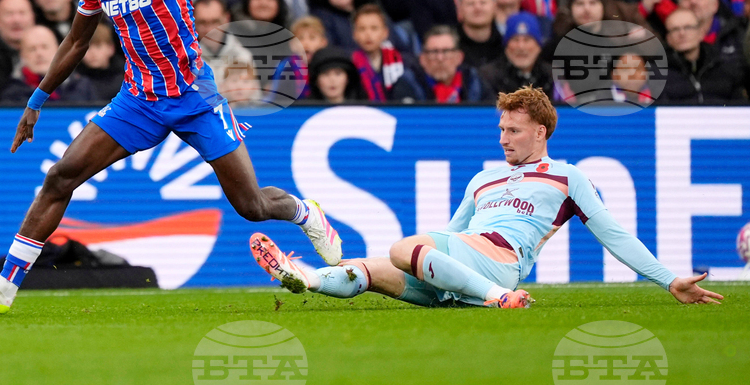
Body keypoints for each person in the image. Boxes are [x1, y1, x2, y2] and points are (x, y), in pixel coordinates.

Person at [0, 0, 345, 313]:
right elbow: (75, 42)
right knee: (60, 176)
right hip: (138, 101)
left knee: (251, 206)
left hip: (194, 98)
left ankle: (305, 213)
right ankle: (6, 285)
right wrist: (36, 101)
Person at [251, 86, 725, 308]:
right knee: (373, 268)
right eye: (500, 128)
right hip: (466, 261)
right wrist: (425, 263)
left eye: (513, 130)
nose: (503, 137)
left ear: (541, 132)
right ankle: (307, 279)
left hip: (502, 262)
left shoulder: (567, 177)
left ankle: (498, 297)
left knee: (403, 249)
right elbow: (454, 235)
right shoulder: (483, 180)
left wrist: (668, 281)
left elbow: (614, 235)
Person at [661, 8, 746, 103]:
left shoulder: (723, 66)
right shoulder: (658, 73)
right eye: (675, 29)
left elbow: (740, 108)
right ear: (668, 38)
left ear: (701, 33)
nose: (682, 33)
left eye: (688, 27)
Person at [2, 25, 95, 104]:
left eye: (44, 47)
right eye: (32, 49)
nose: (39, 53)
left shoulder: (82, 86)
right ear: (22, 55)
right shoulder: (12, 93)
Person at [479, 12, 555, 99]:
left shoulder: (552, 77)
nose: (521, 47)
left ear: (538, 47)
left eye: (527, 40)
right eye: (515, 40)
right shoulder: (488, 77)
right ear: (506, 46)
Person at [350, 4, 419, 101]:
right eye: (362, 29)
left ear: (385, 33)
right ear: (354, 35)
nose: (368, 34)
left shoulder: (405, 63)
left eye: (374, 28)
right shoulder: (349, 66)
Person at [411, 24, 488, 102]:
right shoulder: (409, 84)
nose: (440, 58)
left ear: (459, 57)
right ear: (422, 59)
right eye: (434, 52)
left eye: (446, 51)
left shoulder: (474, 82)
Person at [678, 0, 746, 60]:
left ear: (715, 5)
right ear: (679, 6)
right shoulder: (671, 39)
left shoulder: (737, 35)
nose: (693, 1)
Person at [457, 0, 504, 68]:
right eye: (470, 3)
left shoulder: (507, 45)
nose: (477, 8)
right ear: (459, 9)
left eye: (483, 3)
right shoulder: (450, 47)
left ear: (494, 7)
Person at [76, 21, 125, 103]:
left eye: (98, 46)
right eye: (86, 48)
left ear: (111, 48)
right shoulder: (75, 81)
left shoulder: (126, 79)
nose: (92, 53)